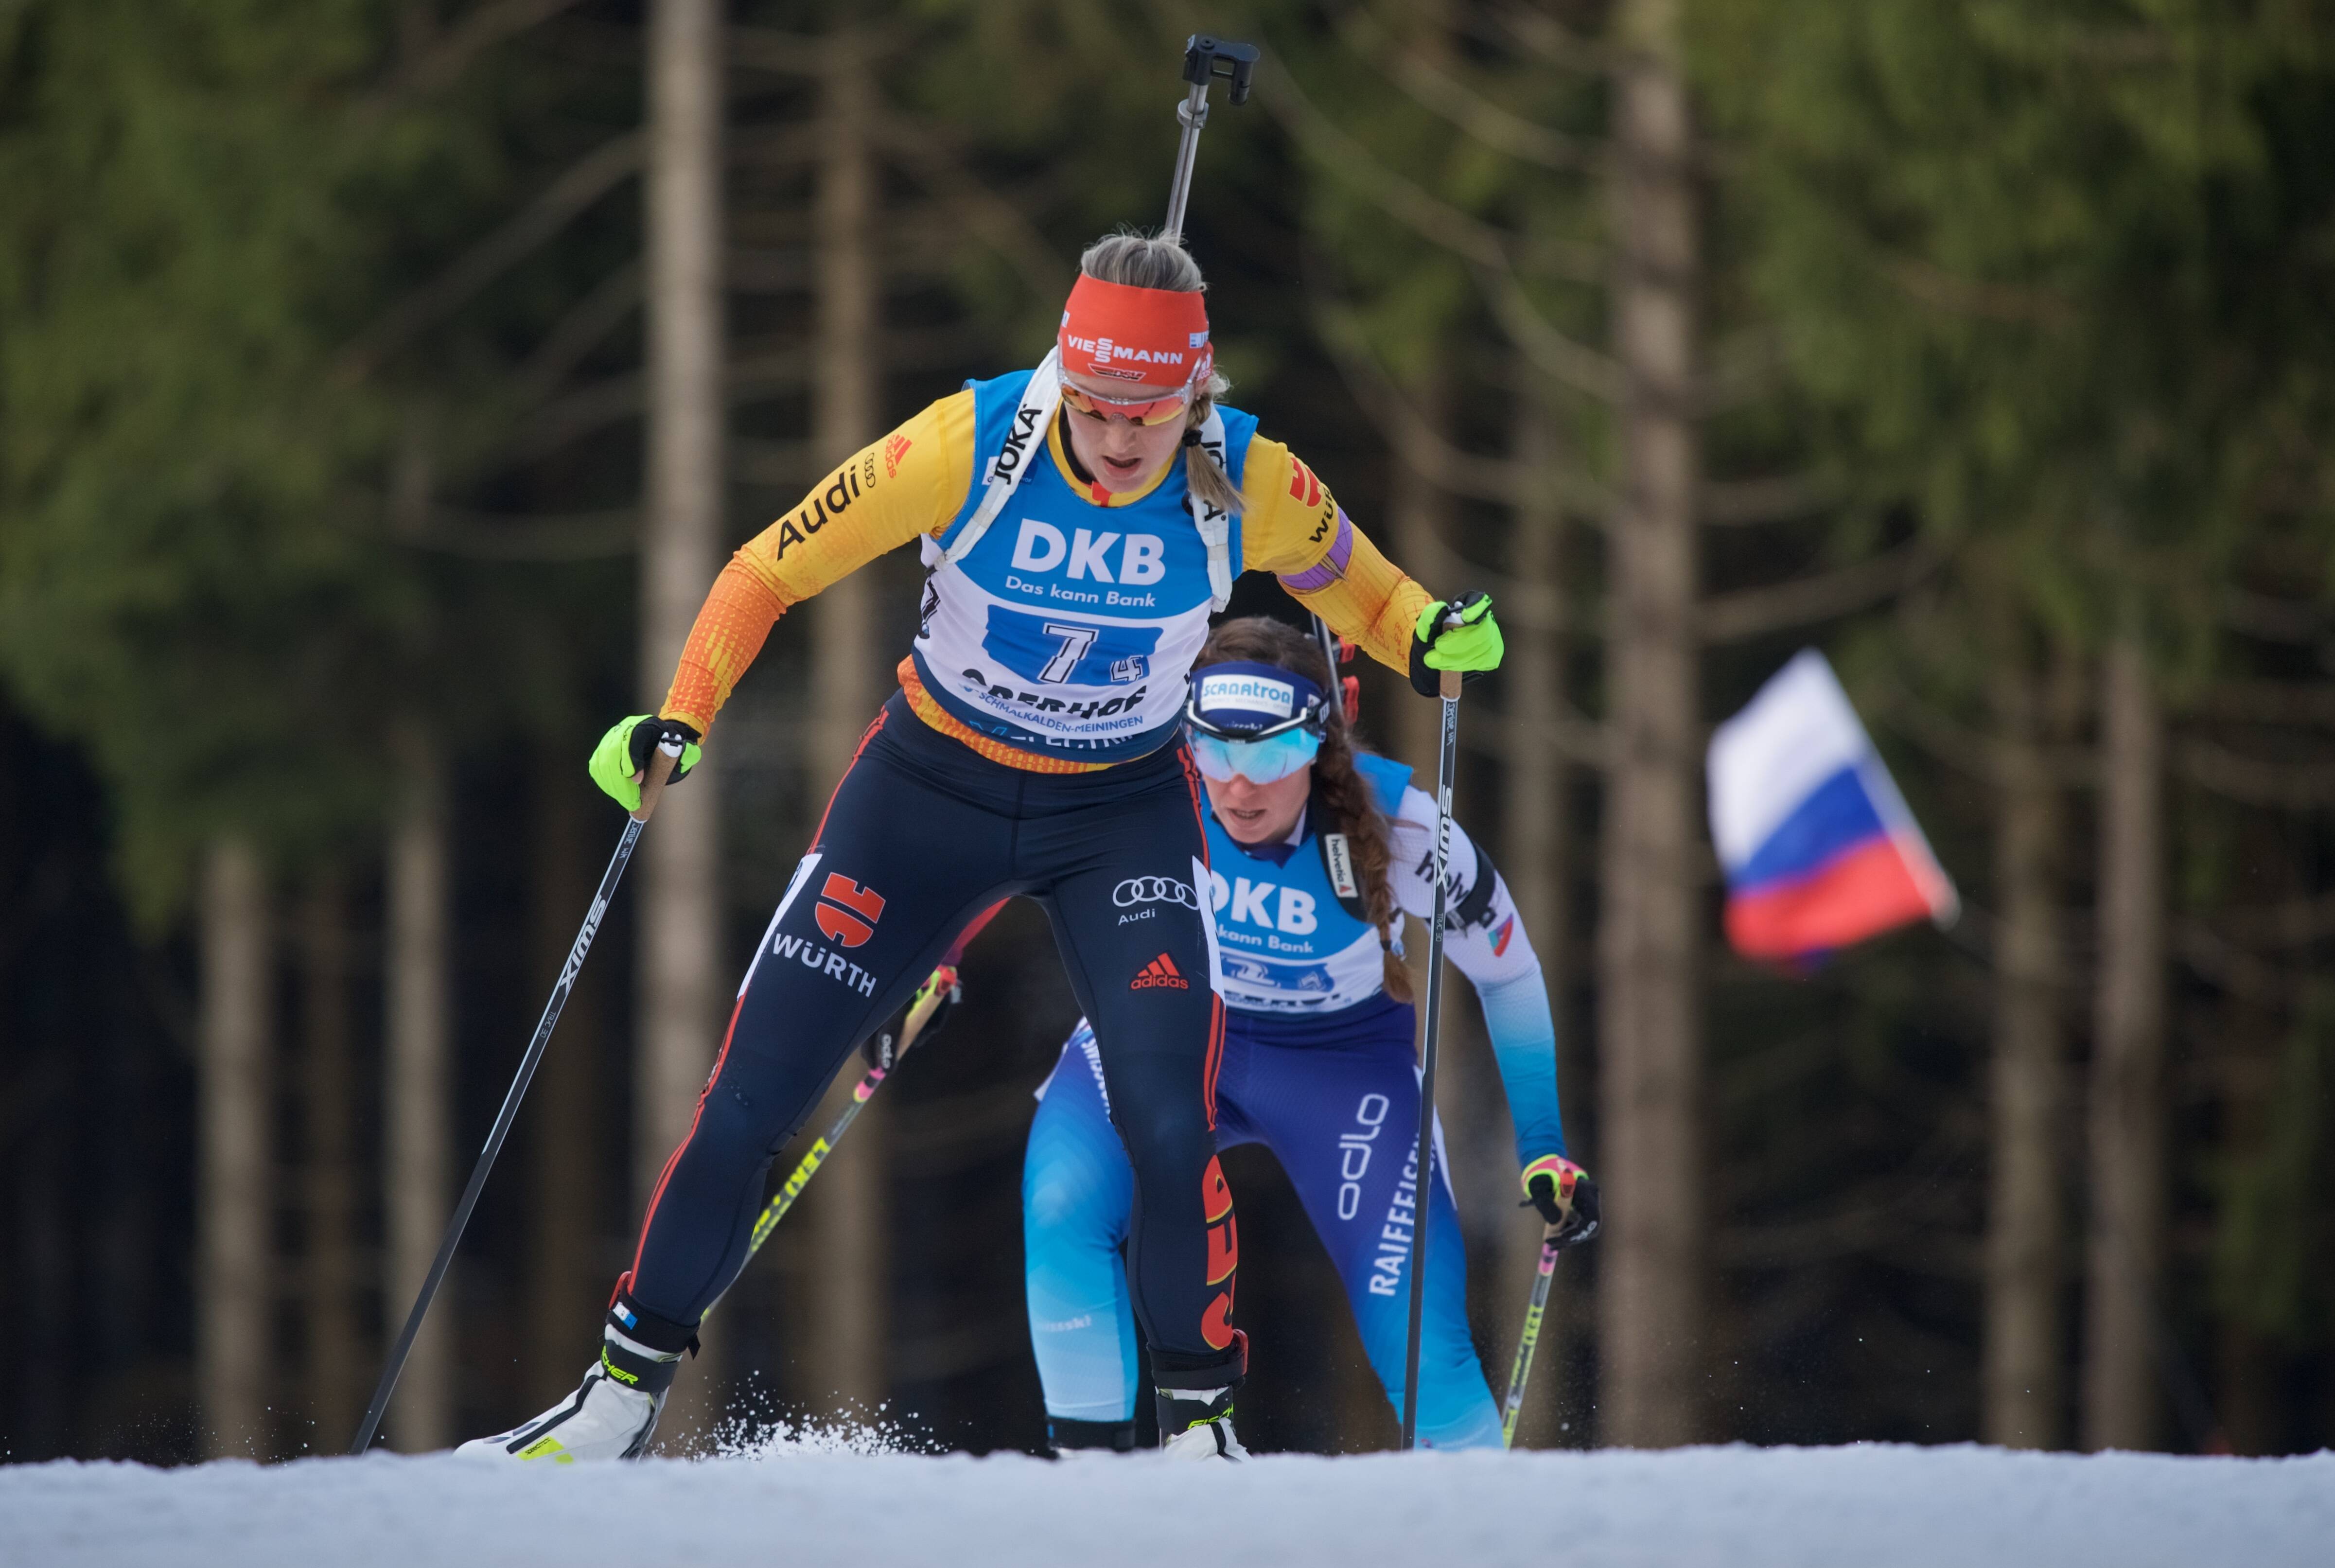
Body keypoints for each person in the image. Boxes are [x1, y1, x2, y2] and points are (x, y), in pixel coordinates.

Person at [458, 233, 1506, 1463]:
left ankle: (1197, 1435)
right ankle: (618, 1400)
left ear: (1197, 396)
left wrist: (1434, 636)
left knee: (1166, 1121)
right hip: (925, 794)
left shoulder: (1251, 480)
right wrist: (681, 714)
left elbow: (1376, 603)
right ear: (1062, 376)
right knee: (750, 1099)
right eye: (1097, 407)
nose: (1119, 440)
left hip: (1116, 817)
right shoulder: (973, 445)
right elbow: (768, 565)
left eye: (1150, 415)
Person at [1022, 617, 1596, 1455]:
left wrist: (1542, 1144)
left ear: (1320, 746)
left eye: (1271, 756)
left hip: (1341, 1073)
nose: (1239, 787)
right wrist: (934, 964)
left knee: (1423, 1348)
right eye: (1215, 751)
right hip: (1169, 1033)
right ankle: (1091, 1500)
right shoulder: (1142, 781)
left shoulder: (1402, 827)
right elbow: (1007, 844)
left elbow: (1507, 970)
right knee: (1061, 1207)